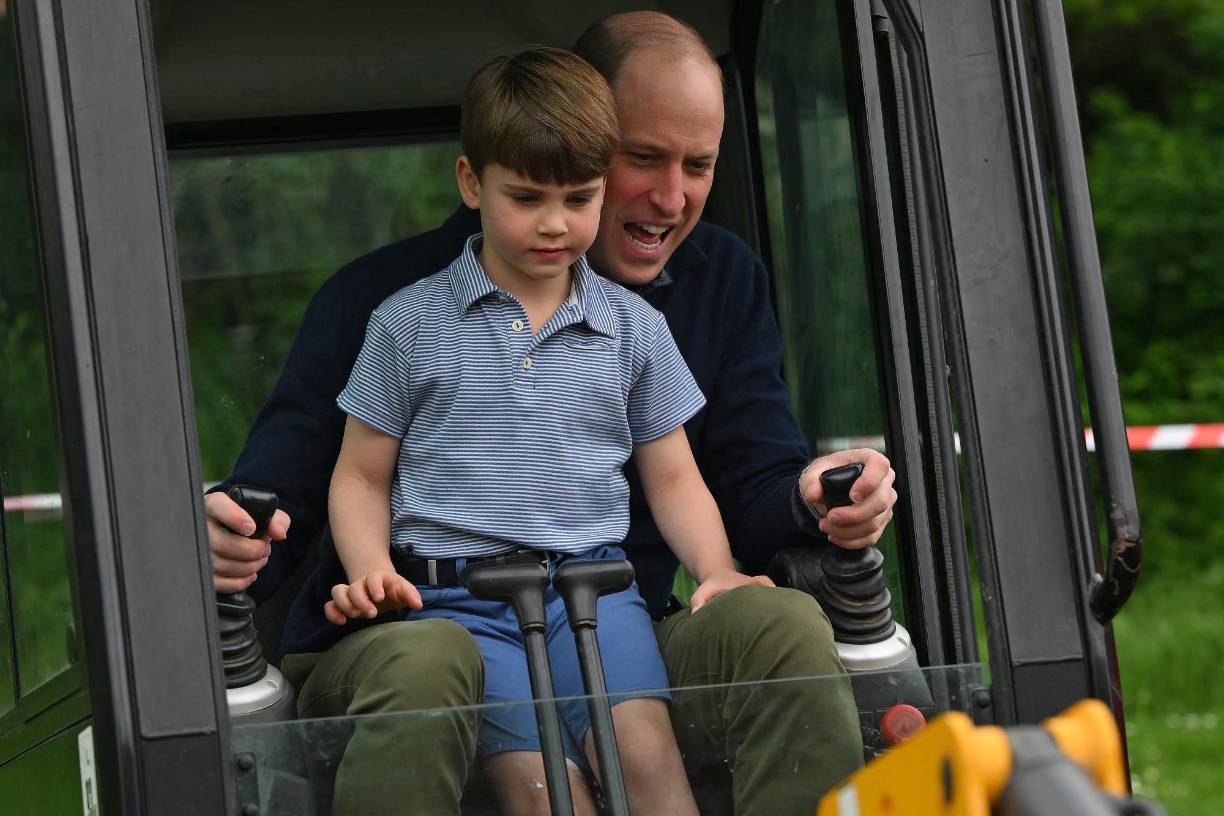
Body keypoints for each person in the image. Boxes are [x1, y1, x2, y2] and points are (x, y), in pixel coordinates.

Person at [207, 11, 898, 816]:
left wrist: (809, 497)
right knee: (440, 674)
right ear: (570, 135)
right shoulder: (390, 309)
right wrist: (240, 535)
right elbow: (296, 488)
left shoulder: (708, 289)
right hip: (432, 624)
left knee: (779, 628)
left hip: (613, 614)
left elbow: (730, 479)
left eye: (699, 165)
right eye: (644, 158)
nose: (672, 197)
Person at [325, 45, 770, 815]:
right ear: (472, 183)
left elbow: (673, 476)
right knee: (541, 794)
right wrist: (370, 569)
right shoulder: (406, 324)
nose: (556, 225)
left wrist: (718, 569)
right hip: (460, 604)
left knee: (649, 768)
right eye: (527, 198)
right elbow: (361, 475)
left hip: (596, 592)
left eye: (580, 198)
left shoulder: (633, 327)